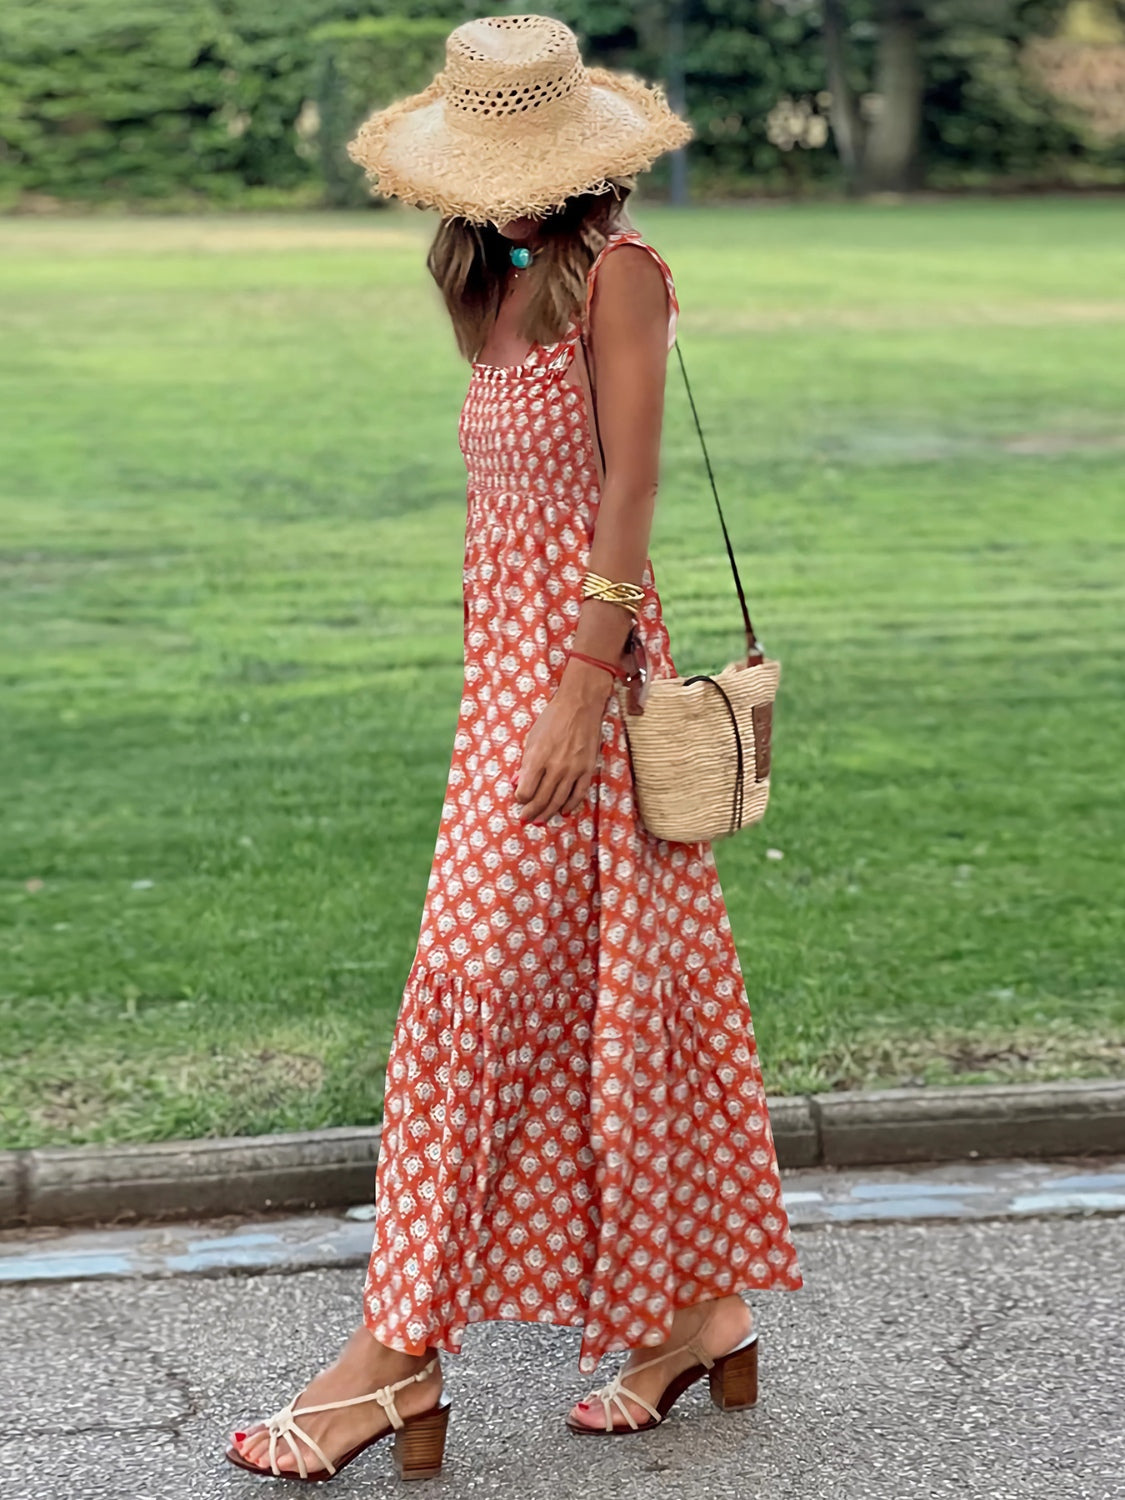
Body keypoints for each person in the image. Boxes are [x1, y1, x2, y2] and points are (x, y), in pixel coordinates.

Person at [225, 13, 802, 1484]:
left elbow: (628, 500)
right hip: (505, 688)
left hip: (582, 697)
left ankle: (390, 1360)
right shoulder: (494, 281)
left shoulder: (618, 277)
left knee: (471, 995)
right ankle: (696, 1311)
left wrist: (569, 692)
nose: (484, 193)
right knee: (623, 994)